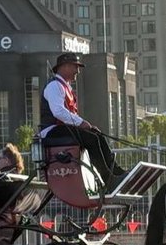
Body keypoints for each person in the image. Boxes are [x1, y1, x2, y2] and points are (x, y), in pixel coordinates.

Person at [39, 52, 124, 190]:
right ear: (64, 66)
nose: (77, 71)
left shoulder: (65, 87)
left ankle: (116, 171)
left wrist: (84, 126)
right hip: (52, 131)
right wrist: (81, 123)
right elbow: (58, 112)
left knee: (97, 135)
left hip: (62, 129)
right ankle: (108, 179)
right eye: (75, 67)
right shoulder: (54, 86)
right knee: (91, 138)